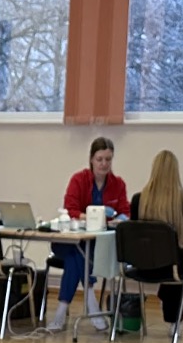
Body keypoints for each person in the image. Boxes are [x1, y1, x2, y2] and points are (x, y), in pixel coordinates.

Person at [45, 136, 128, 332]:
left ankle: (61, 311)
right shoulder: (78, 180)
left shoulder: (118, 184)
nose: (104, 164)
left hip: (98, 245)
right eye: (100, 159)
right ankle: (91, 303)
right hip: (69, 240)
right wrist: (93, 217)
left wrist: (119, 219)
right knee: (77, 250)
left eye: (108, 159)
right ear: (91, 159)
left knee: (77, 256)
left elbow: (125, 211)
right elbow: (70, 209)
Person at [129, 149, 183, 324]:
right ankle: (175, 321)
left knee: (176, 258)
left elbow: (134, 237)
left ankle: (166, 298)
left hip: (142, 266)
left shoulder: (138, 200)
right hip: (171, 268)